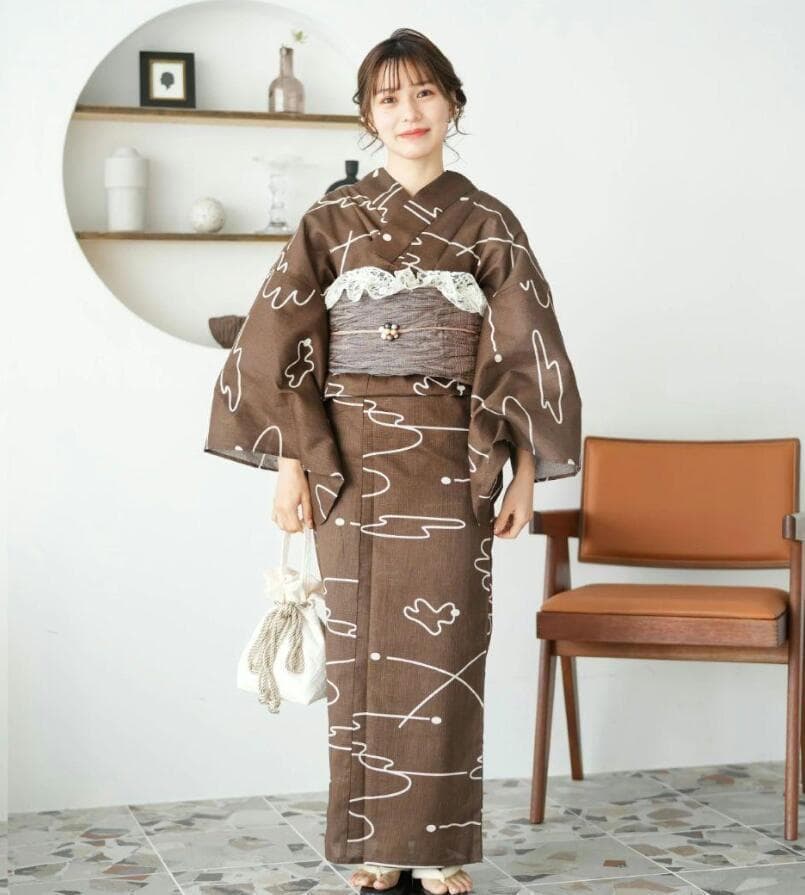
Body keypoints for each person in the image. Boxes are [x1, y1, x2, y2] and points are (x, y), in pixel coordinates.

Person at [204, 27, 582, 895]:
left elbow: (525, 351)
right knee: (360, 653)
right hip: (347, 462)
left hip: (453, 457)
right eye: (388, 98)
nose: (408, 111)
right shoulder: (330, 220)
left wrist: (524, 470)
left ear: (452, 102)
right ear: (367, 116)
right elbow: (279, 343)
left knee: (446, 646)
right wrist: (293, 464)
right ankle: (374, 842)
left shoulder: (488, 222)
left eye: (423, 93)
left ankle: (439, 842)